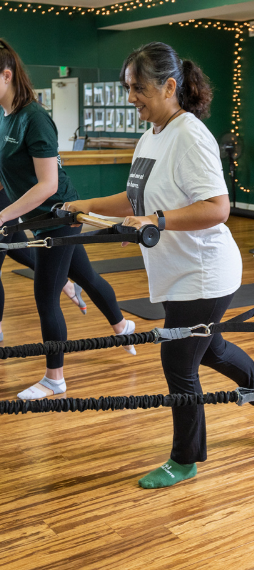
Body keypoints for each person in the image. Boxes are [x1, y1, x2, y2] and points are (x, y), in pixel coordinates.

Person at [58, 42, 254, 488]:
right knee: (210, 347)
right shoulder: (152, 134)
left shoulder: (190, 135)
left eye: (138, 88)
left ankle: (185, 458)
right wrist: (85, 204)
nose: (131, 97)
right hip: (178, 271)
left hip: (203, 272)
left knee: (179, 362)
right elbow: (133, 197)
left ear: (169, 86)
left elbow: (219, 207)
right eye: (128, 88)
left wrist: (158, 220)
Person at [0, 38, 134, 396]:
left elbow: (47, 185)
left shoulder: (34, 118)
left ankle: (54, 379)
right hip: (36, 217)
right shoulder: (5, 116)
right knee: (85, 275)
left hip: (58, 215)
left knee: (45, 295)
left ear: (6, 75)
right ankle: (123, 326)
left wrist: (2, 215)